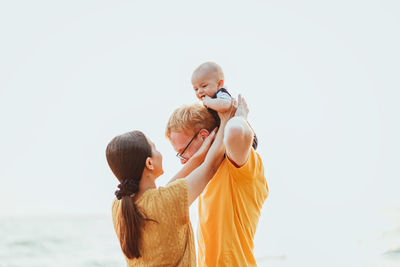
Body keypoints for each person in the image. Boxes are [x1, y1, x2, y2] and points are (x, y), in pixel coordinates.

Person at [106, 103, 235, 266]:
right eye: (154, 147)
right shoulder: (167, 201)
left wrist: (197, 157)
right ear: (149, 163)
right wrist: (225, 120)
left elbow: (164, 195)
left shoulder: (119, 206)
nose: (160, 152)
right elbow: (212, 166)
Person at [166, 95, 268, 266]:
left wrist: (240, 117)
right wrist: (197, 158)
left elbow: (235, 132)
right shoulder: (205, 174)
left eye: (183, 151)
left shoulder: (237, 166)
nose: (183, 161)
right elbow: (163, 202)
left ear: (204, 136)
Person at [191, 61, 258, 149]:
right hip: (230, 140)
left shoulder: (221, 93)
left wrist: (208, 102)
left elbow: (225, 105)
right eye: (196, 89)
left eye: (204, 86)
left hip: (244, 136)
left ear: (219, 84)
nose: (199, 91)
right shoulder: (211, 101)